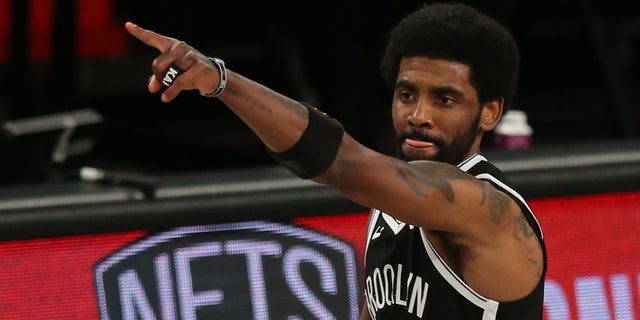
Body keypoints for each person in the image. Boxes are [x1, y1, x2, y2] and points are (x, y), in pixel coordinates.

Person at [124, 2, 546, 319]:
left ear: (490, 112)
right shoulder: (390, 206)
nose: (419, 116)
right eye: (406, 95)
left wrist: (221, 81)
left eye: (445, 99)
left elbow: (341, 162)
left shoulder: (487, 210)